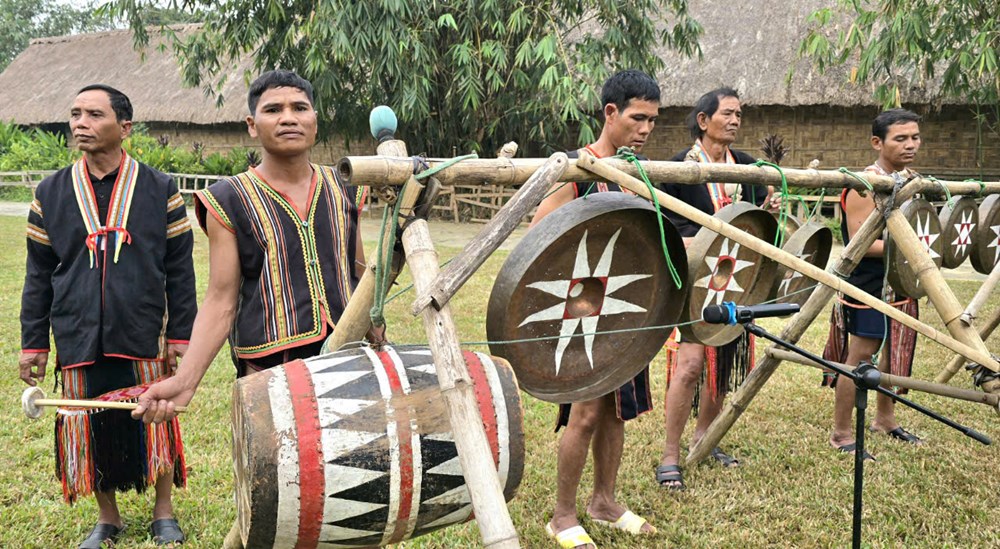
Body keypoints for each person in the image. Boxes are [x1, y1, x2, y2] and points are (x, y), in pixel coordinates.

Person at [131, 70, 364, 547]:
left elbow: (360, 271)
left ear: (316, 120)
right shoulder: (226, 199)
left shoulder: (343, 187)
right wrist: (186, 381)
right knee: (280, 491)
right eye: (273, 110)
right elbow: (221, 297)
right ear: (252, 125)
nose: (288, 118)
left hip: (348, 357)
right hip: (272, 367)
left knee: (351, 484)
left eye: (299, 108)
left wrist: (372, 323)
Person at [19, 84, 197, 547]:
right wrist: (34, 342)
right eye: (75, 114)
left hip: (141, 327)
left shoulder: (160, 189)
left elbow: (179, 268)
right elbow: (38, 273)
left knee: (154, 415)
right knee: (85, 420)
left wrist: (181, 333)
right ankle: (108, 517)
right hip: (76, 329)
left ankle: (163, 511)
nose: (81, 123)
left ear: (124, 127)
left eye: (94, 115)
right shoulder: (51, 192)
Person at [531, 69, 660, 549]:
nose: (646, 130)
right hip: (585, 316)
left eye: (653, 121)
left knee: (616, 414)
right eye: (637, 118)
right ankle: (562, 516)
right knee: (584, 413)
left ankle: (604, 502)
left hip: (629, 312)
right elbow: (536, 244)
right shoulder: (574, 170)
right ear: (611, 113)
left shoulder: (640, 173)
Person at [655, 87, 769, 491]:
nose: (736, 120)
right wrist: (705, 243)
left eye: (740, 114)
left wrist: (766, 211)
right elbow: (668, 227)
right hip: (696, 279)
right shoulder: (675, 170)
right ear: (703, 121)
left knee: (723, 359)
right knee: (689, 366)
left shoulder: (751, 169)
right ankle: (670, 454)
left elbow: (760, 221)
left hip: (739, 278)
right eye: (727, 113)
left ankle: (705, 437)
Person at [822, 109, 923, 459]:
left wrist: (918, 249)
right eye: (900, 138)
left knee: (894, 352)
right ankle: (841, 432)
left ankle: (885, 419)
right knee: (860, 356)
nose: (910, 145)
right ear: (877, 143)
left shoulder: (909, 178)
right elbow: (861, 242)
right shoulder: (865, 184)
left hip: (900, 278)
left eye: (914, 137)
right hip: (868, 280)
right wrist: (918, 250)